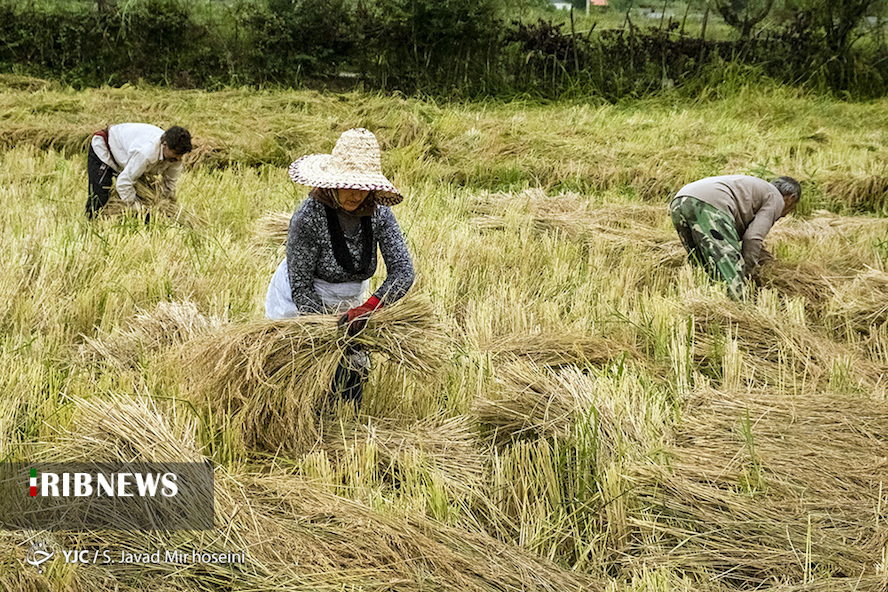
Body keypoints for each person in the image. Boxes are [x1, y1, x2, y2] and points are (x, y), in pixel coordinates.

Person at [265, 128, 415, 406]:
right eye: (348, 184)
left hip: (352, 302)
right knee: (310, 379)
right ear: (332, 182)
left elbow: (403, 271)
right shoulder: (308, 217)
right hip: (304, 302)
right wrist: (328, 332)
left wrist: (369, 309)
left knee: (352, 381)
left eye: (363, 187)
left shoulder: (379, 213)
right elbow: (301, 286)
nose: (355, 194)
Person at [670, 174, 801, 299]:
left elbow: (746, 238)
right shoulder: (776, 198)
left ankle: (703, 300)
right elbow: (752, 238)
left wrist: (768, 262)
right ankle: (738, 312)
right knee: (731, 273)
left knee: (702, 263)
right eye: (792, 208)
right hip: (709, 205)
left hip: (680, 201)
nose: (785, 215)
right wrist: (747, 273)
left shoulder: (757, 191)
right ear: (790, 198)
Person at [86, 123, 193, 218]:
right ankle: (90, 226)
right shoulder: (145, 153)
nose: (179, 159)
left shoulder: (176, 158)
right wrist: (137, 208)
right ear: (165, 145)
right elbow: (123, 183)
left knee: (143, 196)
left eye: (181, 155)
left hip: (126, 156)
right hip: (105, 148)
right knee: (99, 197)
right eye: (176, 154)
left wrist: (167, 206)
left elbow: (169, 184)